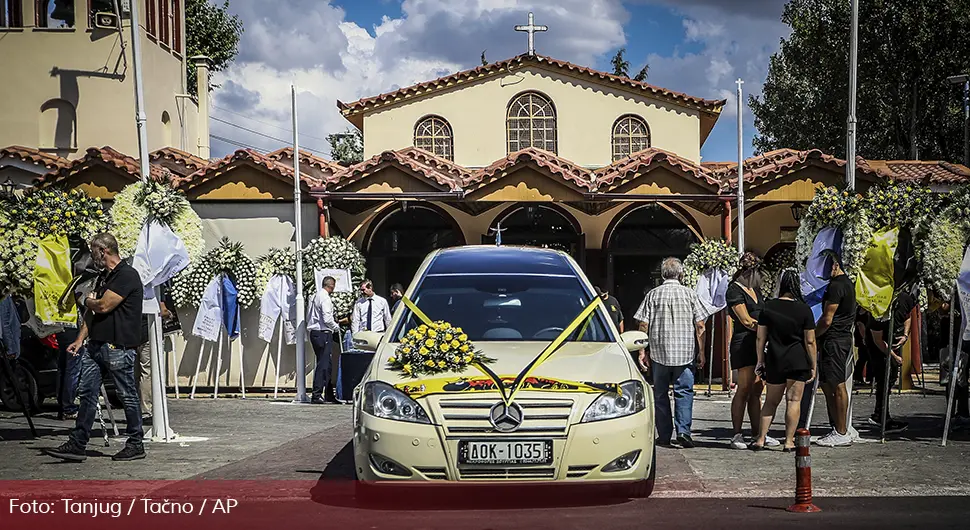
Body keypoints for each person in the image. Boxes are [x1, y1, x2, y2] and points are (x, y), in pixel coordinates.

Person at [45, 233, 146, 462]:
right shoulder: (104, 277)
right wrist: (80, 339)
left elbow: (101, 306)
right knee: (87, 393)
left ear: (104, 251)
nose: (92, 257)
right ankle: (78, 443)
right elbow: (92, 315)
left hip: (118, 346)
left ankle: (135, 443)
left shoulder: (126, 275)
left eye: (93, 252)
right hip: (96, 346)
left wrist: (86, 300)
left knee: (127, 395)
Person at [634, 257, 706, 449]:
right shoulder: (689, 294)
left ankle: (664, 435)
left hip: (660, 353)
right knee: (684, 392)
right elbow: (700, 325)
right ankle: (683, 431)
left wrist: (642, 350)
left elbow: (643, 324)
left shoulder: (653, 295)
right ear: (680, 274)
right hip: (685, 352)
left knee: (660, 394)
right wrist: (702, 352)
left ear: (663, 274)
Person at [752, 269, 817, 451]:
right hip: (797, 359)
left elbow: (760, 338)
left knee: (771, 401)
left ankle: (761, 438)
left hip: (774, 358)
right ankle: (789, 441)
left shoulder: (769, 306)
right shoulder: (804, 309)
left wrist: (760, 361)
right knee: (793, 401)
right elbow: (810, 341)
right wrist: (813, 365)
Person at [725, 252, 779, 449]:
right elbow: (746, 320)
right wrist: (767, 328)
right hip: (744, 342)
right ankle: (737, 434)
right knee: (744, 387)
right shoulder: (734, 291)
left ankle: (759, 434)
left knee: (757, 388)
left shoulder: (756, 291)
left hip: (759, 343)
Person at [811, 250, 856, 447]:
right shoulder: (847, 285)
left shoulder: (836, 286)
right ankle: (837, 426)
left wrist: (812, 335)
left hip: (835, 339)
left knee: (836, 384)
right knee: (828, 384)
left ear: (835, 265)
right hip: (840, 338)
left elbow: (827, 319)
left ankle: (841, 430)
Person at [867, 290, 917, 433]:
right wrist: (894, 357)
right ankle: (881, 416)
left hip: (894, 340)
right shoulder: (879, 302)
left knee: (891, 377)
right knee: (884, 377)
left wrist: (905, 335)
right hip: (879, 345)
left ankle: (881, 414)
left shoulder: (905, 298)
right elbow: (877, 339)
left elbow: (908, 316)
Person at [308, 276, 341, 404]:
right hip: (323, 333)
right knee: (323, 364)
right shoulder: (325, 298)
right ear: (331, 286)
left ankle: (328, 394)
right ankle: (316, 394)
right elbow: (327, 319)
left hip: (315, 332)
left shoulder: (315, 296)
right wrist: (336, 327)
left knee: (327, 364)